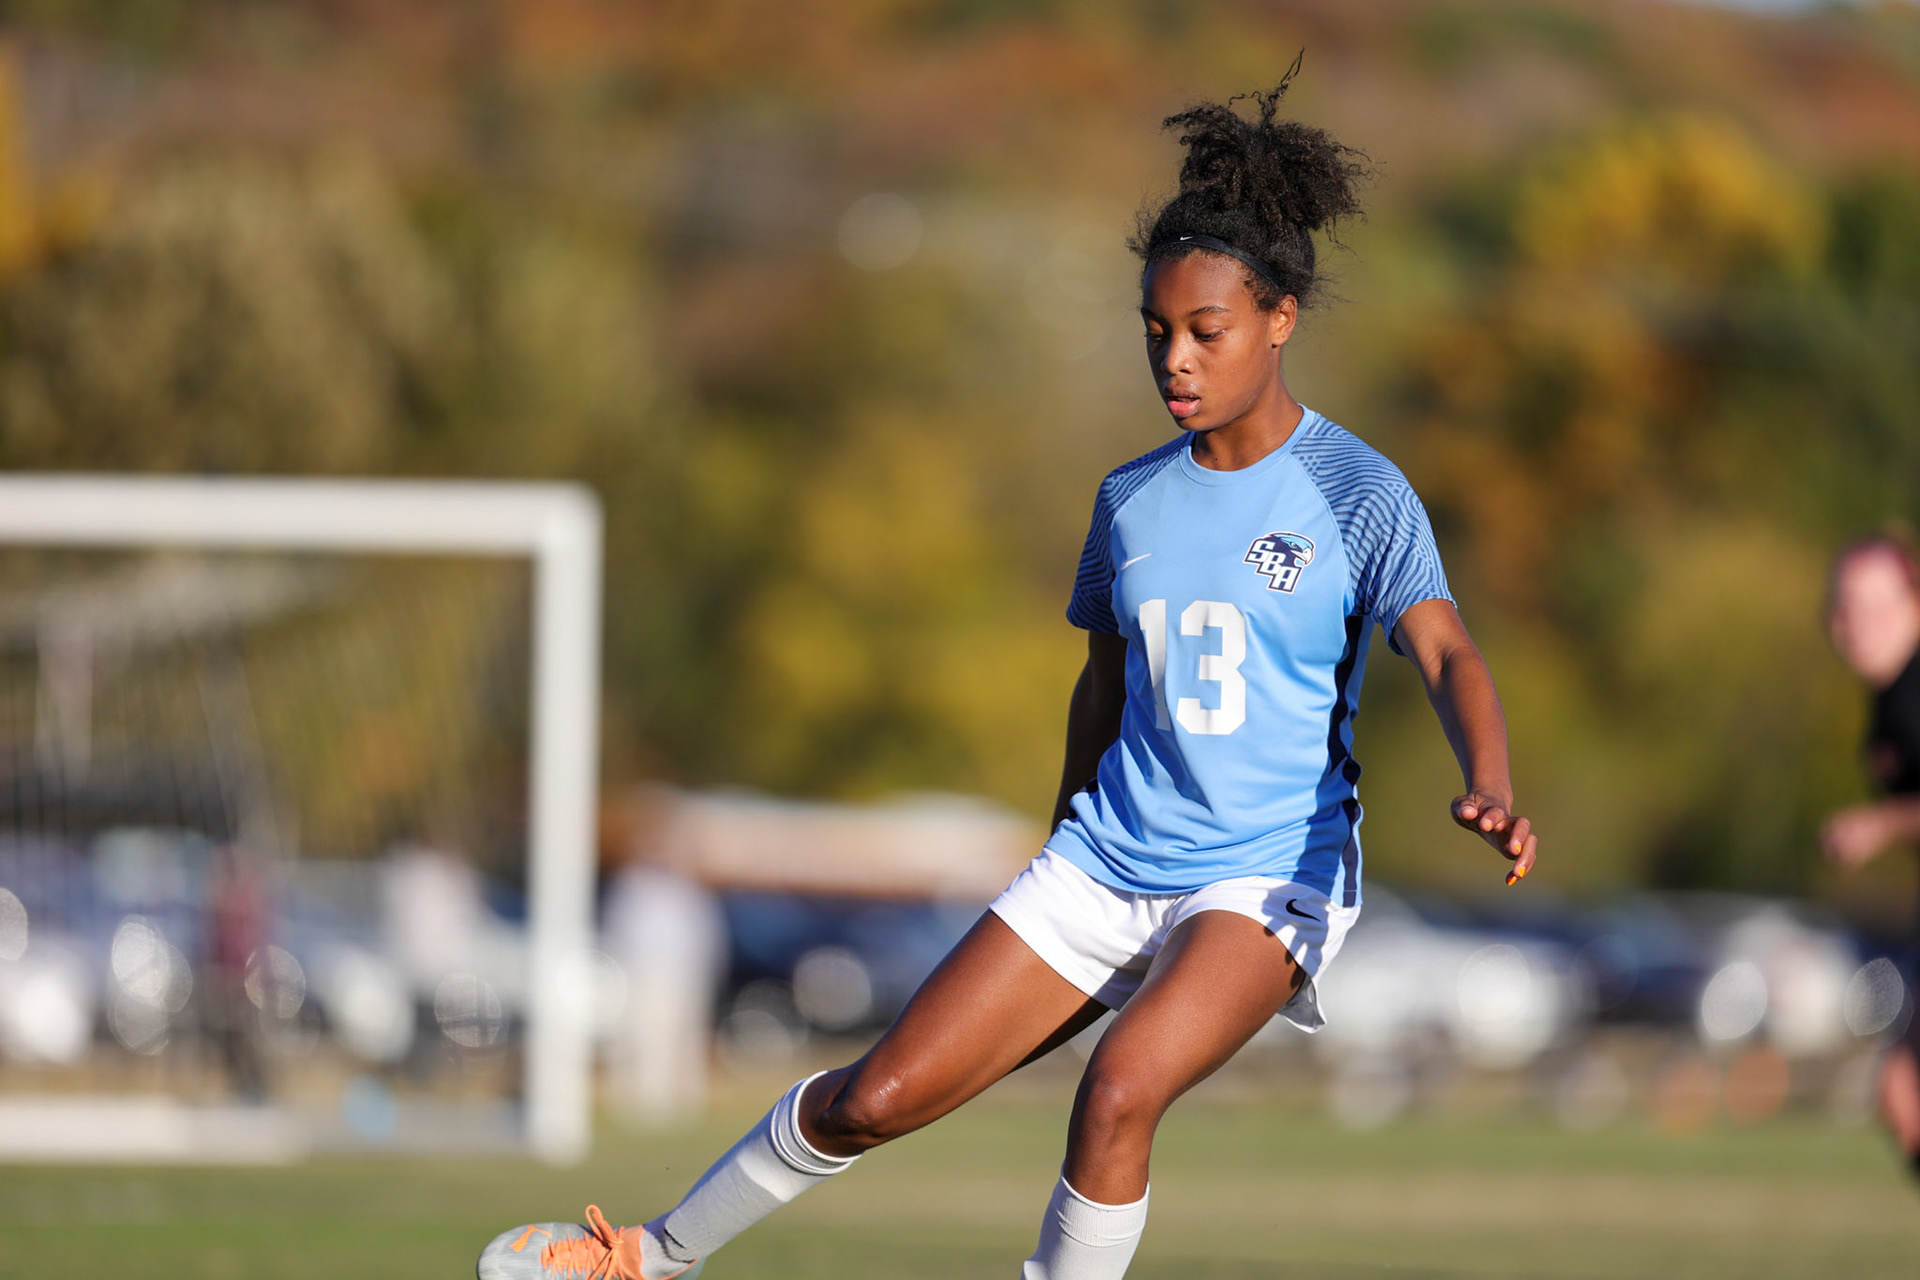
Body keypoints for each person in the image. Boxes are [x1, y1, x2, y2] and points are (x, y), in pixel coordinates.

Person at [477, 62, 1539, 1280]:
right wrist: (1059, 849)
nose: (1176, 360)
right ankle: (651, 1258)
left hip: (1266, 872)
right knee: (876, 1095)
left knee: (1121, 1085)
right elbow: (1105, 688)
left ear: (1281, 317)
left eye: (1207, 329)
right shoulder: (1128, 499)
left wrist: (1491, 780)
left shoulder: (1359, 488)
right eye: (1156, 332)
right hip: (1105, 857)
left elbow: (1448, 648)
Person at [1821, 532, 1920, 1172]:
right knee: (1899, 1090)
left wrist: (1879, 825)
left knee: (1901, 1087)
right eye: (1845, 606)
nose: (1858, 623)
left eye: (1878, 605)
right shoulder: (1890, 699)